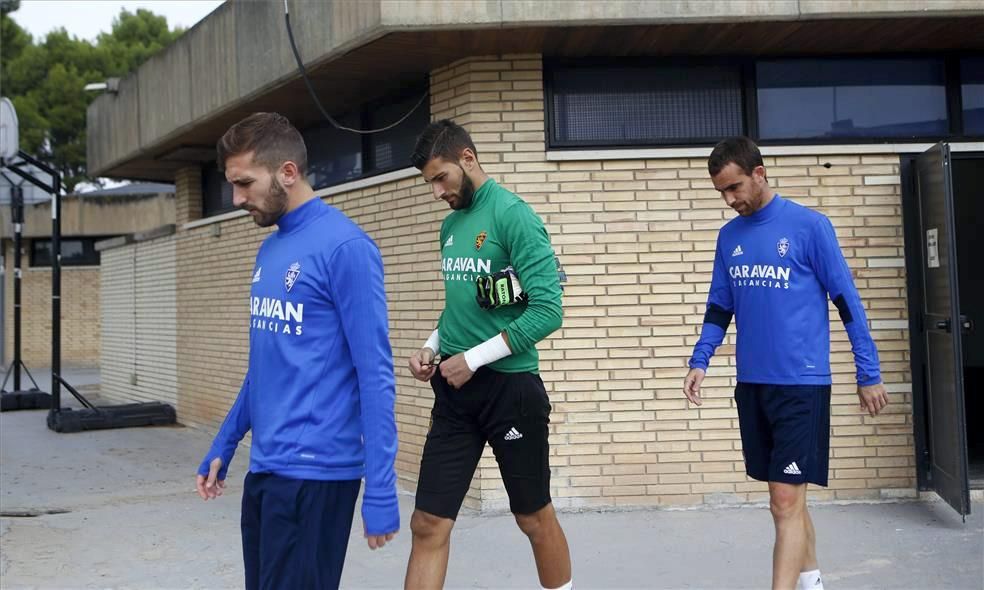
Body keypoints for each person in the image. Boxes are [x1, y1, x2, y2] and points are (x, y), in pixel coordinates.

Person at [194, 112, 399, 590]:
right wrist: (225, 442)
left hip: (318, 474)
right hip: (266, 469)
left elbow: (375, 375)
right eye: (232, 184)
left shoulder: (347, 248)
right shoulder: (271, 250)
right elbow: (264, 367)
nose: (236, 198)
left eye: (245, 183)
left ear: (288, 172)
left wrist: (381, 488)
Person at [683, 136, 889, 590]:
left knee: (782, 500)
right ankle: (812, 581)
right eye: (721, 192)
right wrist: (701, 360)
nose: (729, 199)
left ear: (760, 173)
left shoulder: (809, 227)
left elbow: (847, 301)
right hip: (752, 384)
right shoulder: (728, 237)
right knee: (788, 496)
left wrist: (868, 372)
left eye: (735, 187)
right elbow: (720, 307)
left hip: (801, 383)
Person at [404, 119, 574, 590]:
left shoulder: (514, 215)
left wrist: (474, 358)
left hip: (510, 391)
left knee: (533, 518)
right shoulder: (450, 226)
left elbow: (548, 311)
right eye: (429, 183)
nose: (437, 191)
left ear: (468, 159)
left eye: (441, 178)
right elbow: (459, 306)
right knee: (427, 522)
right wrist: (432, 346)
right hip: (455, 394)